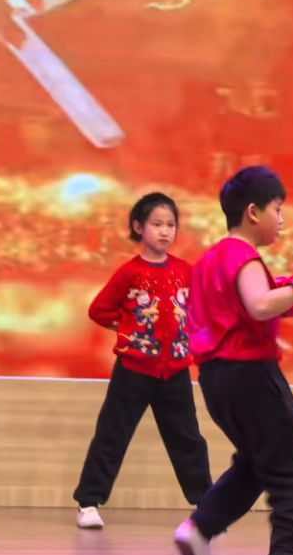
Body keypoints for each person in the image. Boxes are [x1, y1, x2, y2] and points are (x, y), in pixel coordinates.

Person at [172, 166, 293, 555]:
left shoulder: (209, 260)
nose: (281, 219)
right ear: (253, 212)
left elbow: (238, 309)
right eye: (277, 209)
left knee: (257, 461)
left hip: (216, 380)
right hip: (251, 373)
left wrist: (291, 288)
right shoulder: (241, 255)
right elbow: (260, 306)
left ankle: (201, 528)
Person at [72, 192, 212, 529]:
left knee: (188, 439)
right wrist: (127, 327)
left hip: (175, 371)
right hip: (133, 370)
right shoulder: (129, 273)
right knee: (112, 435)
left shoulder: (185, 271)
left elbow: (199, 311)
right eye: (156, 224)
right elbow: (99, 310)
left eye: (170, 225)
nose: (165, 231)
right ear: (139, 227)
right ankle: (88, 503)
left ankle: (207, 505)